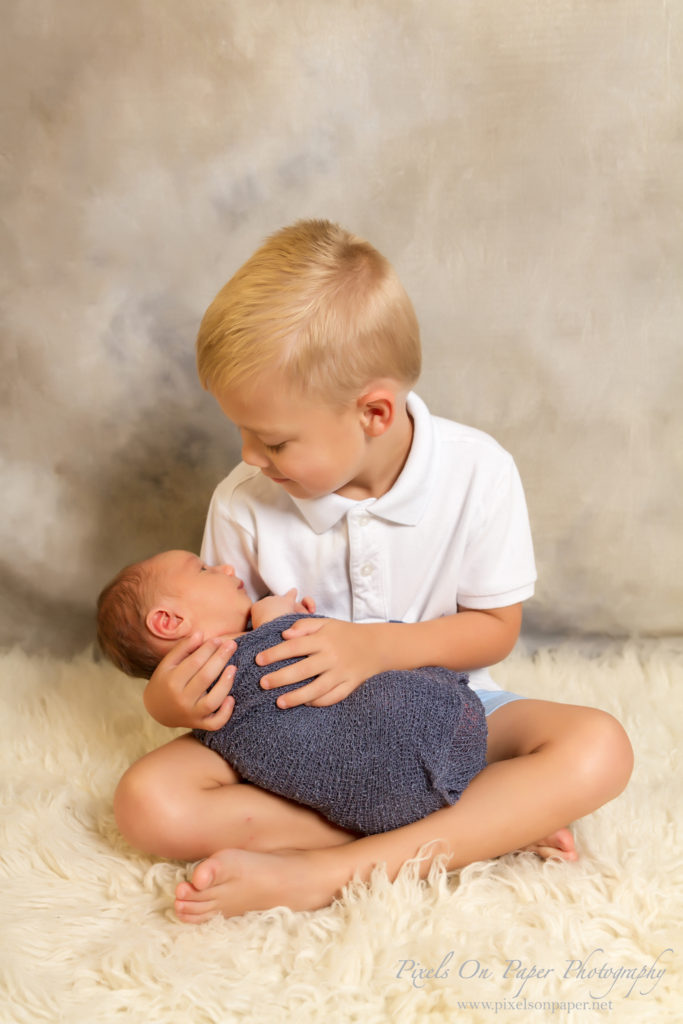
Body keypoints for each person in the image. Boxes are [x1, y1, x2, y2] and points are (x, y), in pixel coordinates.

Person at [113, 219, 633, 923]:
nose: (250, 456)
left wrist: (376, 649)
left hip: (449, 712)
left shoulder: (477, 473)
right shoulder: (244, 501)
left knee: (598, 747)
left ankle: (329, 871)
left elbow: (493, 631)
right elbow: (222, 646)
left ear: (373, 412)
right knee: (147, 804)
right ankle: (477, 827)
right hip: (295, 735)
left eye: (272, 439)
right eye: (240, 432)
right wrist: (168, 704)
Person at [96, 549, 488, 834]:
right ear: (169, 621)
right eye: (202, 569)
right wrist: (279, 619)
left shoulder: (215, 697)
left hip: (387, 786)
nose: (225, 566)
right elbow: (270, 681)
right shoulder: (239, 660)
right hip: (438, 733)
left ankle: (361, 829)